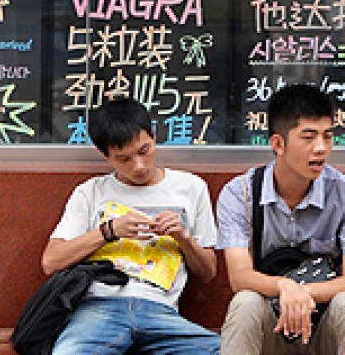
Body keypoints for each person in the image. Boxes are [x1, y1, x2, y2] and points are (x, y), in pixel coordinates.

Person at [41, 97, 221, 354]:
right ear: (106, 157)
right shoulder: (90, 192)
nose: (139, 166)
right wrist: (109, 231)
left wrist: (182, 237)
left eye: (144, 151)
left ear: (154, 136)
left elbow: (208, 271)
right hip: (98, 308)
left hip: (161, 311)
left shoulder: (191, 187)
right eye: (123, 159)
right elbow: (51, 261)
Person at [215, 83, 345, 354]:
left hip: (324, 325)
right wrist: (283, 287)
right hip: (270, 325)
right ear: (278, 143)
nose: (321, 148)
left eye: (328, 136)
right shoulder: (239, 193)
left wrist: (302, 293)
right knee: (245, 303)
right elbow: (240, 277)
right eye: (308, 137)